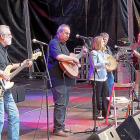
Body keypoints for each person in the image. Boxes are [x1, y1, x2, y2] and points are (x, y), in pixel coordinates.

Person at [46, 24, 87, 137]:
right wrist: (73, 58)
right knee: (60, 104)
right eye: (65, 33)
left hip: (65, 78)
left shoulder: (63, 45)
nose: (68, 35)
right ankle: (57, 128)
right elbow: (59, 57)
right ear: (59, 33)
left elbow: (68, 61)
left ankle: (61, 126)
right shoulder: (54, 43)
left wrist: (80, 55)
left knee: (64, 104)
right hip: (57, 78)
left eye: (69, 33)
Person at [0, 25, 32, 140]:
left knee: (14, 116)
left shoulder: (4, 50)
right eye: (9, 35)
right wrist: (1, 73)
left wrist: (22, 64)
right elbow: (2, 71)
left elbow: (8, 66)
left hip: (6, 89)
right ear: (2, 36)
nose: (11, 37)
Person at [89, 36, 113, 120]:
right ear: (98, 43)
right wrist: (104, 63)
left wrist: (108, 64)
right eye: (102, 42)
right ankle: (96, 114)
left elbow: (104, 64)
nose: (104, 43)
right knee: (97, 95)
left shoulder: (102, 52)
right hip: (96, 77)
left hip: (103, 77)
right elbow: (94, 65)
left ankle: (106, 112)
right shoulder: (93, 53)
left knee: (106, 94)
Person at [100, 32, 116, 109]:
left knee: (110, 88)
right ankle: (100, 104)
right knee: (101, 90)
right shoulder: (97, 49)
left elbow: (110, 59)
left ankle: (109, 103)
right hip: (102, 73)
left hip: (109, 72)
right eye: (103, 39)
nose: (104, 41)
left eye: (106, 39)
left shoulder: (108, 49)